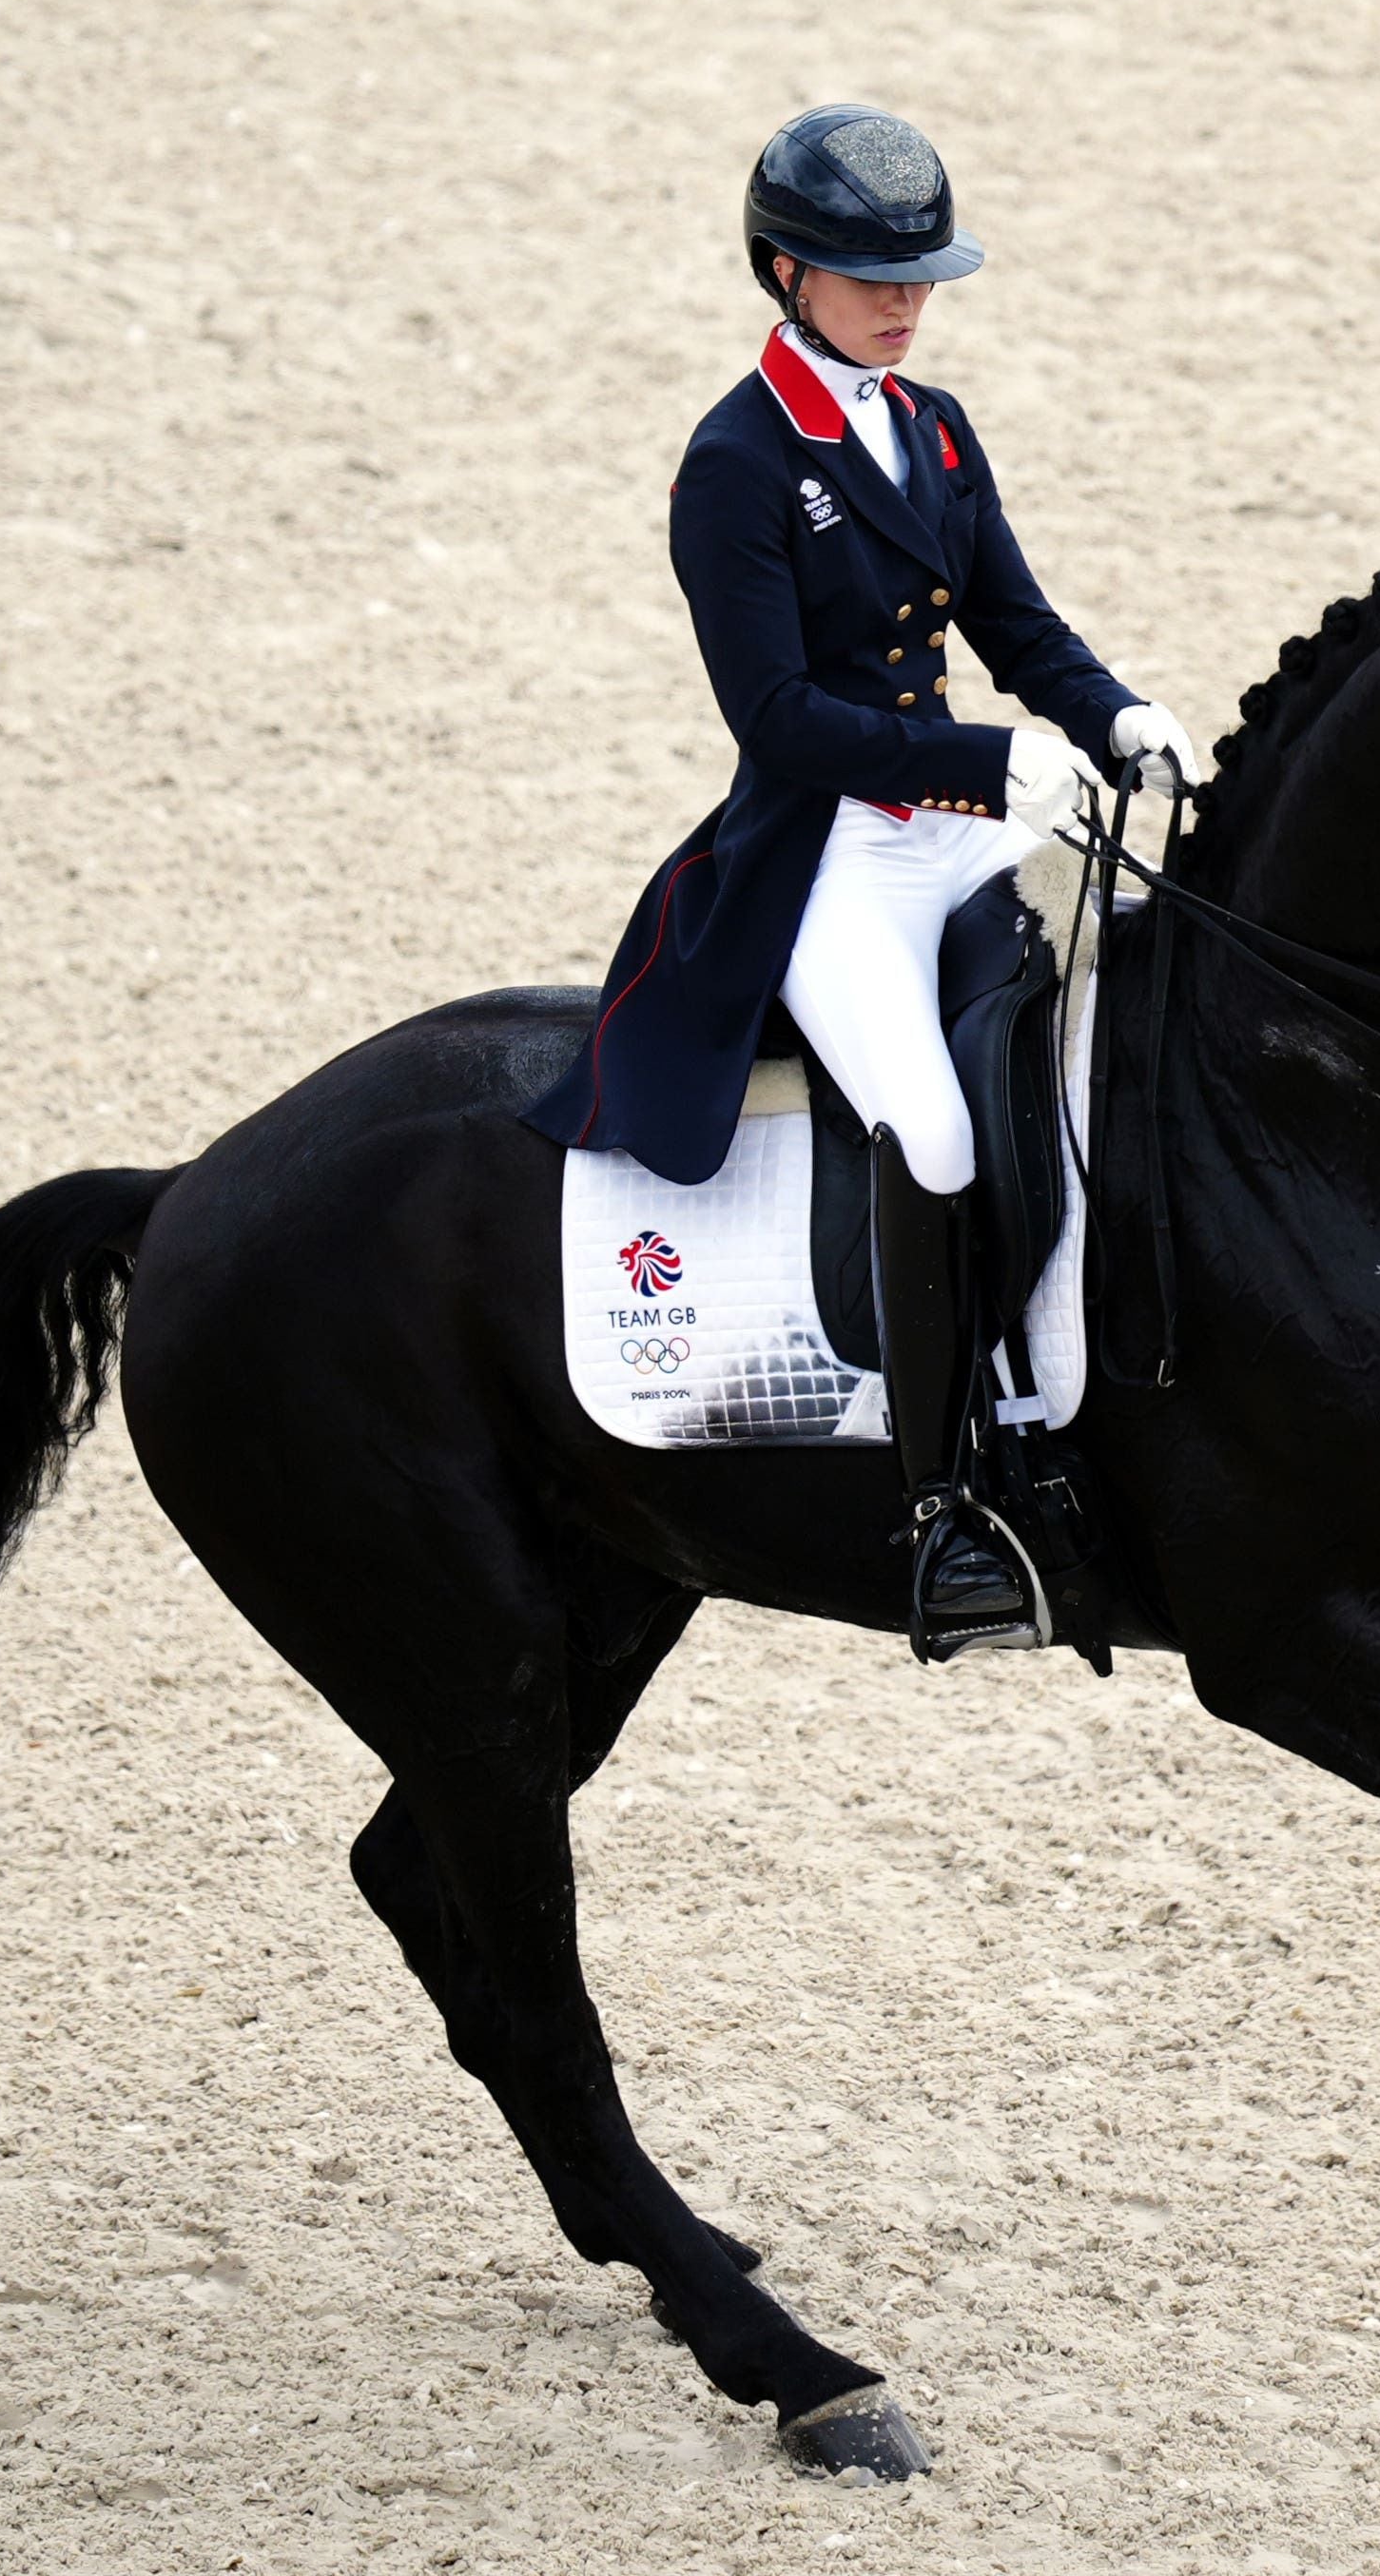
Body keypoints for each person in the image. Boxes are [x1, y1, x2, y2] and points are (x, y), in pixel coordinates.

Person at [528, 105, 1200, 1657]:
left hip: (965, 816)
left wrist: (1111, 712)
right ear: (785, 271)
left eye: (920, 276)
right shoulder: (738, 459)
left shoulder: (937, 423)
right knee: (936, 1126)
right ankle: (947, 1497)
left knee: (1134, 1022)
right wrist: (979, 765)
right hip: (831, 856)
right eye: (866, 276)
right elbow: (774, 719)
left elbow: (1018, 628)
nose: (903, 302)